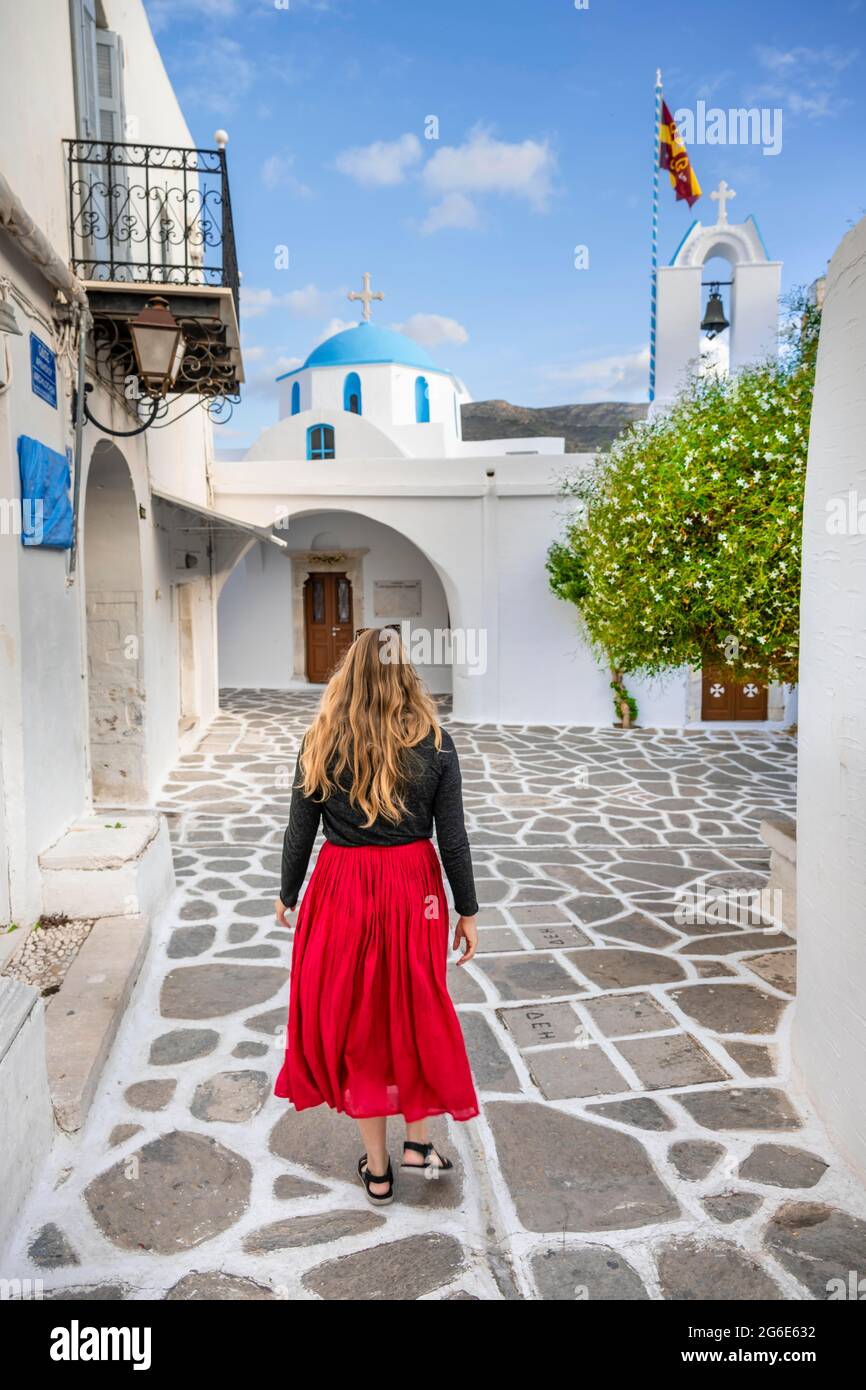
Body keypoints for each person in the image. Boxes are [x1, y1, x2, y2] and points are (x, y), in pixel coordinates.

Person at [273, 626, 480, 1206]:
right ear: (403, 673)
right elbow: (454, 838)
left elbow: (300, 829)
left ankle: (382, 1168)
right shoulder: (435, 742)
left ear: (349, 674)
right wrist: (467, 909)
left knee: (360, 1017)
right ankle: (419, 1144)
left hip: (342, 887)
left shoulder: (320, 739)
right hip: (415, 888)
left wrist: (287, 892)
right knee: (414, 1006)